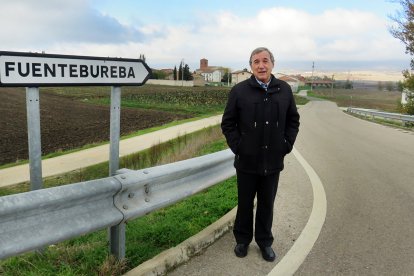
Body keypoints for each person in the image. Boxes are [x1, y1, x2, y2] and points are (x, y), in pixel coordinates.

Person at [221, 47, 300, 262]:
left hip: (273, 161)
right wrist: (239, 146)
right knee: (245, 203)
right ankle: (242, 240)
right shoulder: (239, 91)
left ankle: (265, 242)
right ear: (251, 67)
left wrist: (286, 144)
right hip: (246, 161)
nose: (261, 65)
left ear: (272, 64)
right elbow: (228, 123)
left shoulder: (283, 90)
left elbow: (293, 120)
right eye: (256, 62)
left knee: (267, 204)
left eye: (265, 61)